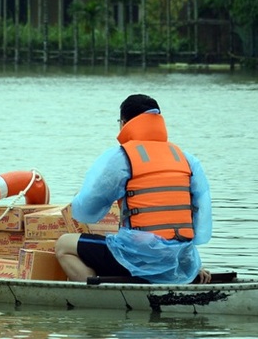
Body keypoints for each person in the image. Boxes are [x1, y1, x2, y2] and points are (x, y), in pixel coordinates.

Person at [54, 94, 213, 284]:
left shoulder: (122, 157)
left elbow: (86, 212)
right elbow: (201, 222)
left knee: (64, 245)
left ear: (123, 123)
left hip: (140, 258)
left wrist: (78, 199)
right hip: (180, 259)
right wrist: (190, 262)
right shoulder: (187, 159)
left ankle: (101, 296)